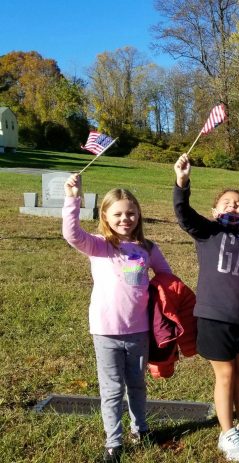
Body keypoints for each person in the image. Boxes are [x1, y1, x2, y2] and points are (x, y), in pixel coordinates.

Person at [62, 173, 172, 463]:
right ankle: (114, 443)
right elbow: (72, 235)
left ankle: (141, 430)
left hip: (139, 332)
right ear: (106, 217)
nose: (126, 218)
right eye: (119, 214)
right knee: (112, 390)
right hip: (106, 332)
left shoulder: (148, 249)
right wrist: (73, 199)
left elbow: (167, 278)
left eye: (131, 213)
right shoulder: (100, 245)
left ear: (139, 215)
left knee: (137, 385)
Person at [173, 154, 239, 462]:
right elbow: (183, 213)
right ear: (215, 211)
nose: (233, 206)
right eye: (226, 203)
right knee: (226, 373)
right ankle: (227, 434)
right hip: (214, 317)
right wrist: (182, 183)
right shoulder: (208, 232)